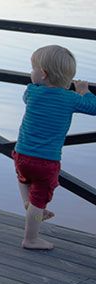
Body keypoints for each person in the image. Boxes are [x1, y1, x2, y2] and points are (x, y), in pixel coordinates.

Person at [14, 45, 96, 250]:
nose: (31, 73)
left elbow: (27, 96)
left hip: (21, 154)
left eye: (33, 69)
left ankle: (28, 203)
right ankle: (31, 238)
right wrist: (84, 91)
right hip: (46, 162)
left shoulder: (32, 92)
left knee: (23, 178)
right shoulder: (71, 99)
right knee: (39, 201)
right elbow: (93, 108)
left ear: (43, 74)